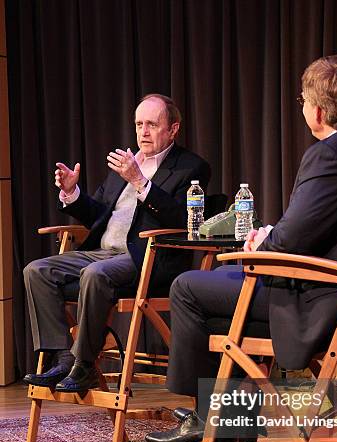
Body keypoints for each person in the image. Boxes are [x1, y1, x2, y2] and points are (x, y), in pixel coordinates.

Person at [144, 55, 337, 442]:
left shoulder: (330, 155)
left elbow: (288, 242)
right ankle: (228, 418)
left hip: (316, 303)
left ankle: (209, 415)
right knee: (222, 298)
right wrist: (272, 238)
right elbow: (330, 228)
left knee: (188, 288)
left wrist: (261, 243)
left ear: (318, 111)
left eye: (302, 100)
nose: (301, 108)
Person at [24, 94, 211, 392]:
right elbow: (98, 216)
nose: (143, 132)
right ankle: (60, 357)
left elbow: (183, 220)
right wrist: (72, 193)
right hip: (102, 253)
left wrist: (140, 183)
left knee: (94, 275)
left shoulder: (190, 168)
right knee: (36, 270)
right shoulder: (128, 162)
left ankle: (83, 364)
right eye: (139, 124)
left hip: (147, 259)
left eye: (152, 124)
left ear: (173, 129)